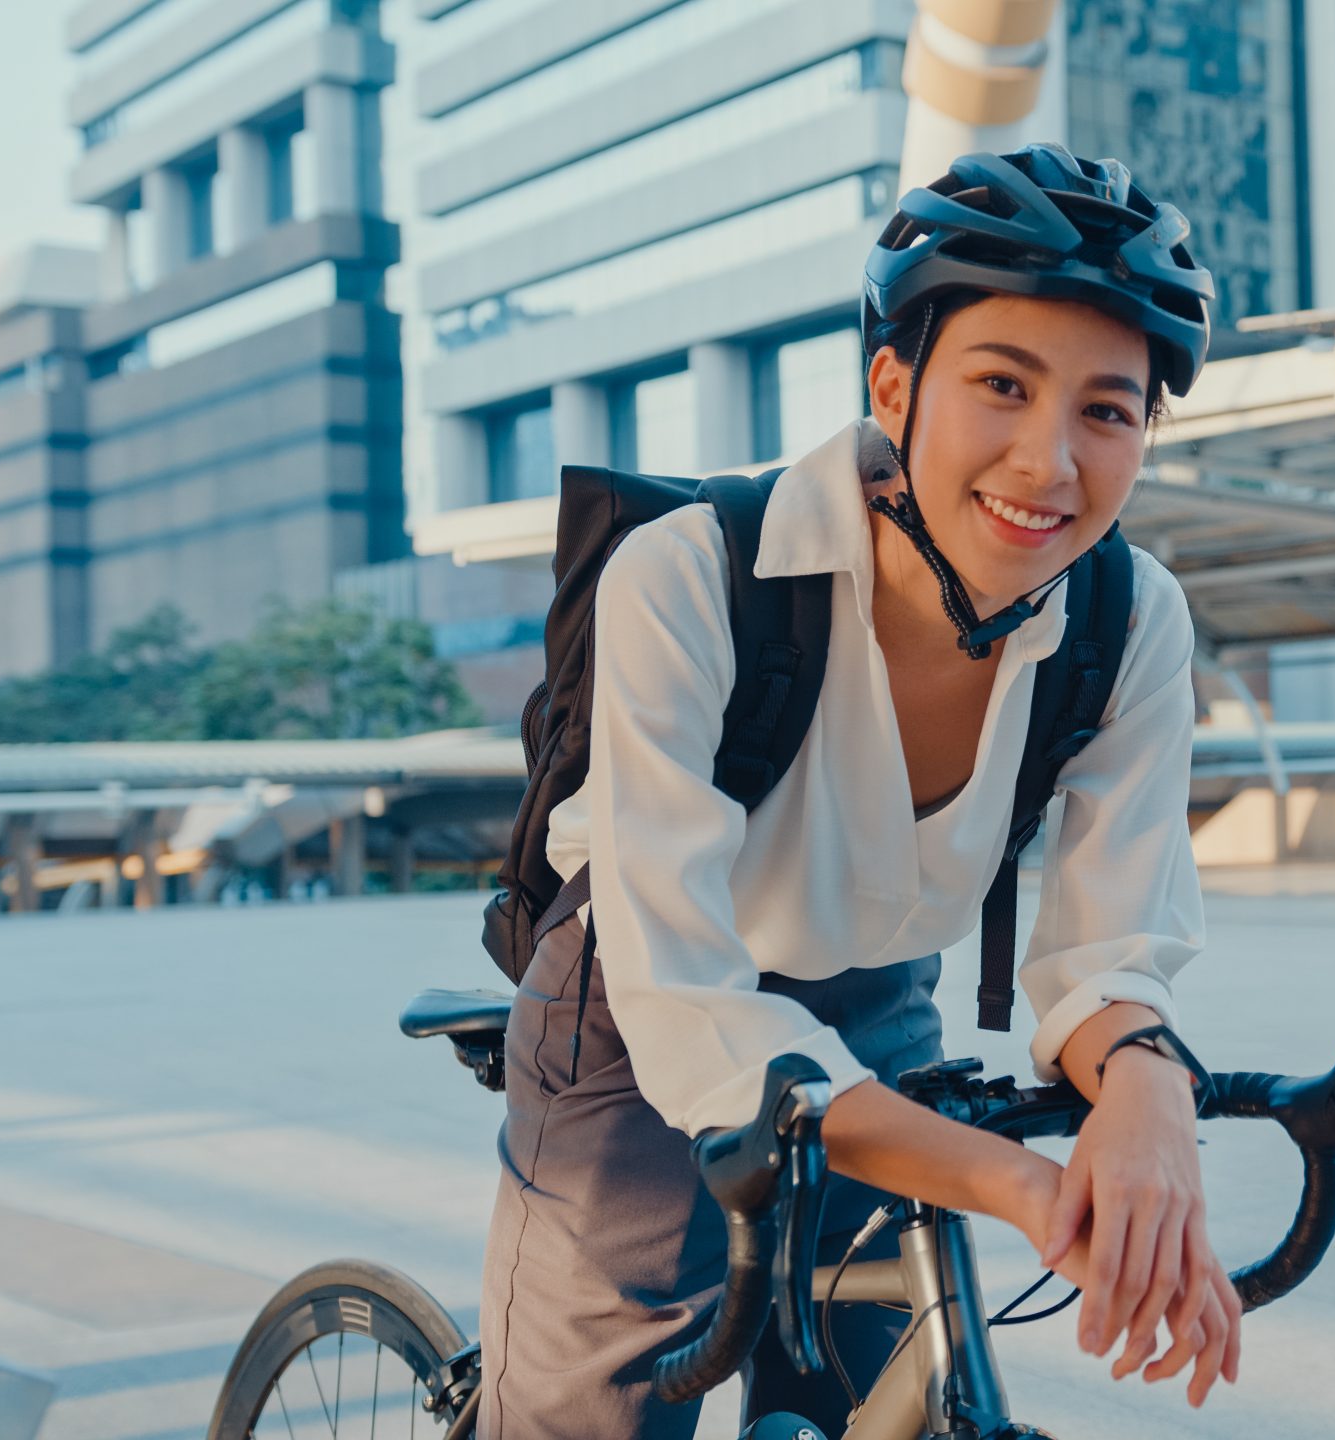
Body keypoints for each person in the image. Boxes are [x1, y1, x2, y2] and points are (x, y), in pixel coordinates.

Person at [476, 143, 1231, 1439]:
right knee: (606, 1402)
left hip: (875, 994)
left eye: (1109, 410)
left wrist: (1152, 1098)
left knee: (871, 1390)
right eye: (1003, 384)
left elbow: (1106, 942)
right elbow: (689, 1010)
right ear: (897, 381)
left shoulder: (1129, 618)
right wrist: (1024, 1189)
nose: (1051, 462)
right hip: (636, 997)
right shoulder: (691, 579)